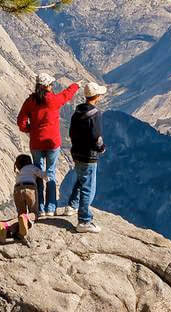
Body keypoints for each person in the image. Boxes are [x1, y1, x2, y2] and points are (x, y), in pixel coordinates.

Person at [17, 73, 80, 216]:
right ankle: (51, 208)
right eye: (51, 85)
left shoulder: (30, 101)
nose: (52, 87)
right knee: (50, 172)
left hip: (36, 142)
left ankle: (39, 208)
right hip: (52, 142)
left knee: (38, 174)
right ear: (47, 86)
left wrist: (29, 129)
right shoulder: (52, 100)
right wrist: (76, 85)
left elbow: (21, 121)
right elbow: (66, 95)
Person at [68, 81, 108, 233]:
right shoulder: (95, 114)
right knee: (88, 187)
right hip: (88, 155)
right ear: (96, 96)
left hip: (76, 152)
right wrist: (101, 148)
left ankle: (72, 205)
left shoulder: (77, 112)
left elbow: (71, 133)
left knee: (80, 180)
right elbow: (96, 136)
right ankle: (84, 220)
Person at [0, 153, 46, 243]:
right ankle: (25, 219)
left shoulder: (20, 172)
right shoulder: (32, 167)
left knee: (21, 215)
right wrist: (48, 176)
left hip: (17, 190)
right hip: (30, 189)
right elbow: (42, 175)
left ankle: (5, 225)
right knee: (34, 214)